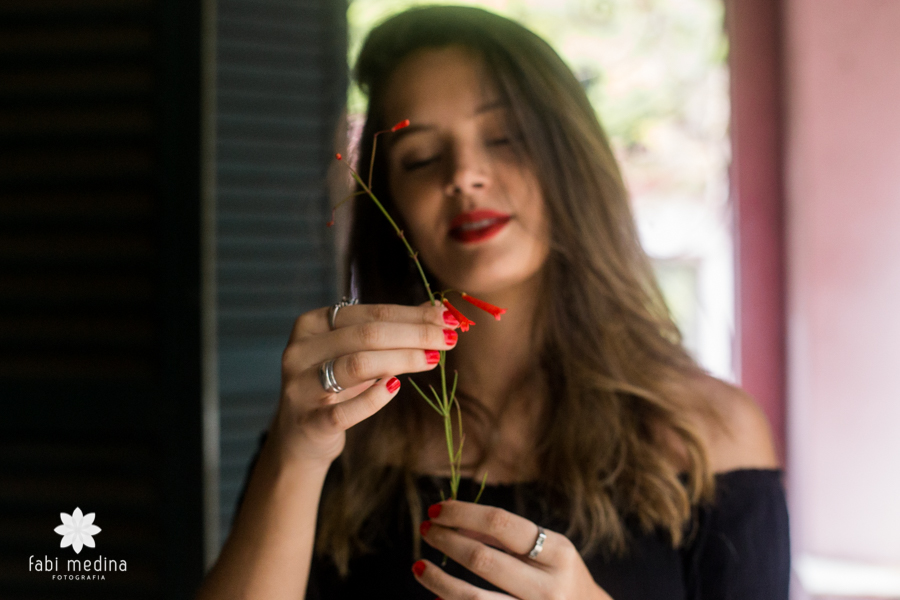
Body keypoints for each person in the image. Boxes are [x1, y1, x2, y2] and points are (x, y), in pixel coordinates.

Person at [196, 6, 789, 600]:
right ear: (392, 207)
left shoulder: (707, 435)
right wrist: (296, 455)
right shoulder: (342, 422)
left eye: (504, 138)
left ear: (572, 158)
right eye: (421, 158)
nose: (465, 175)